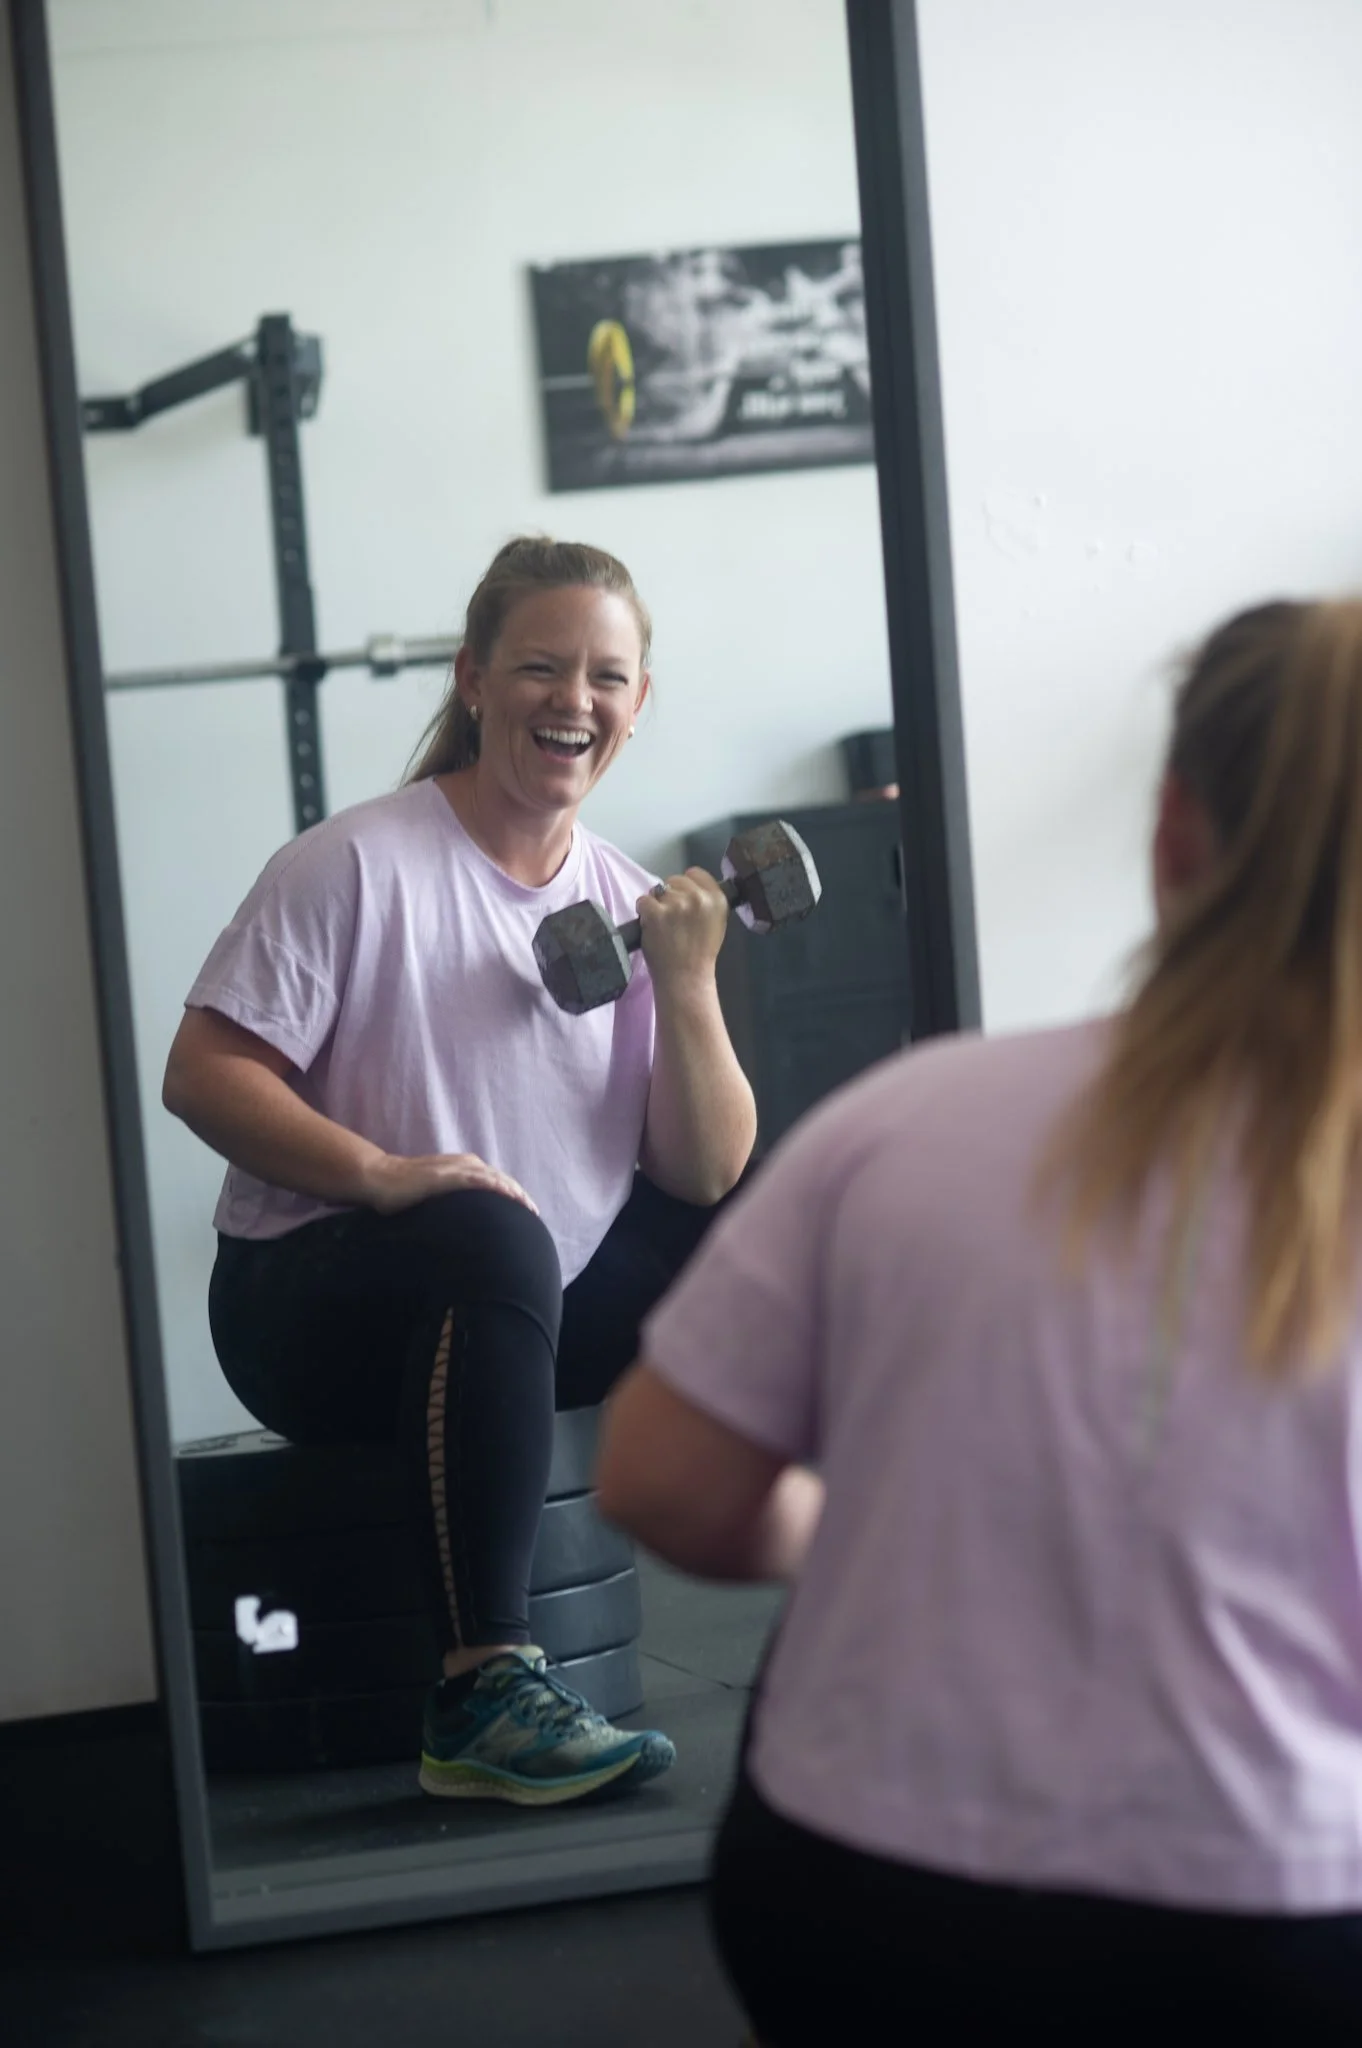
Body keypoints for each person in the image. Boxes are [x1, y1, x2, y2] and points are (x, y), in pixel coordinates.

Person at [598, 598, 1362, 2037]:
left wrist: (852, 1524)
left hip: (863, 1902)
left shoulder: (902, 1117)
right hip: (1281, 1931)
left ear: (1171, 833)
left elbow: (665, 1480)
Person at [163, 535, 756, 1808]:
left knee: (759, 1200)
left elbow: (702, 1174)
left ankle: (838, 1568)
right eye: (541, 666)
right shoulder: (355, 864)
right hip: (312, 1312)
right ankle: (484, 1689)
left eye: (607, 676)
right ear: (474, 678)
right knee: (490, 1227)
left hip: (522, 1316)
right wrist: (379, 1171)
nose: (574, 699)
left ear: (638, 703)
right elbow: (203, 1073)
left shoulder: (630, 898)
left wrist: (689, 981)